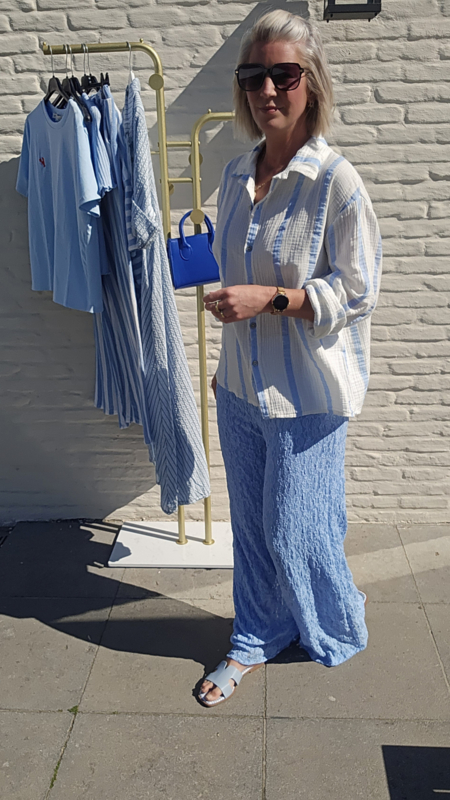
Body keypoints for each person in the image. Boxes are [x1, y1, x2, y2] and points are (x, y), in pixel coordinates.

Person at [199, 9, 382, 707]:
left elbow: (358, 290)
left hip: (306, 394)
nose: (267, 90)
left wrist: (271, 300)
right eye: (254, 76)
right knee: (251, 530)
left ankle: (335, 623)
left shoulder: (336, 182)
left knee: (296, 528)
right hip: (239, 388)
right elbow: (233, 278)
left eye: (284, 74)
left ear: (312, 83)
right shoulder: (234, 175)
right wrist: (227, 357)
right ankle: (255, 635)